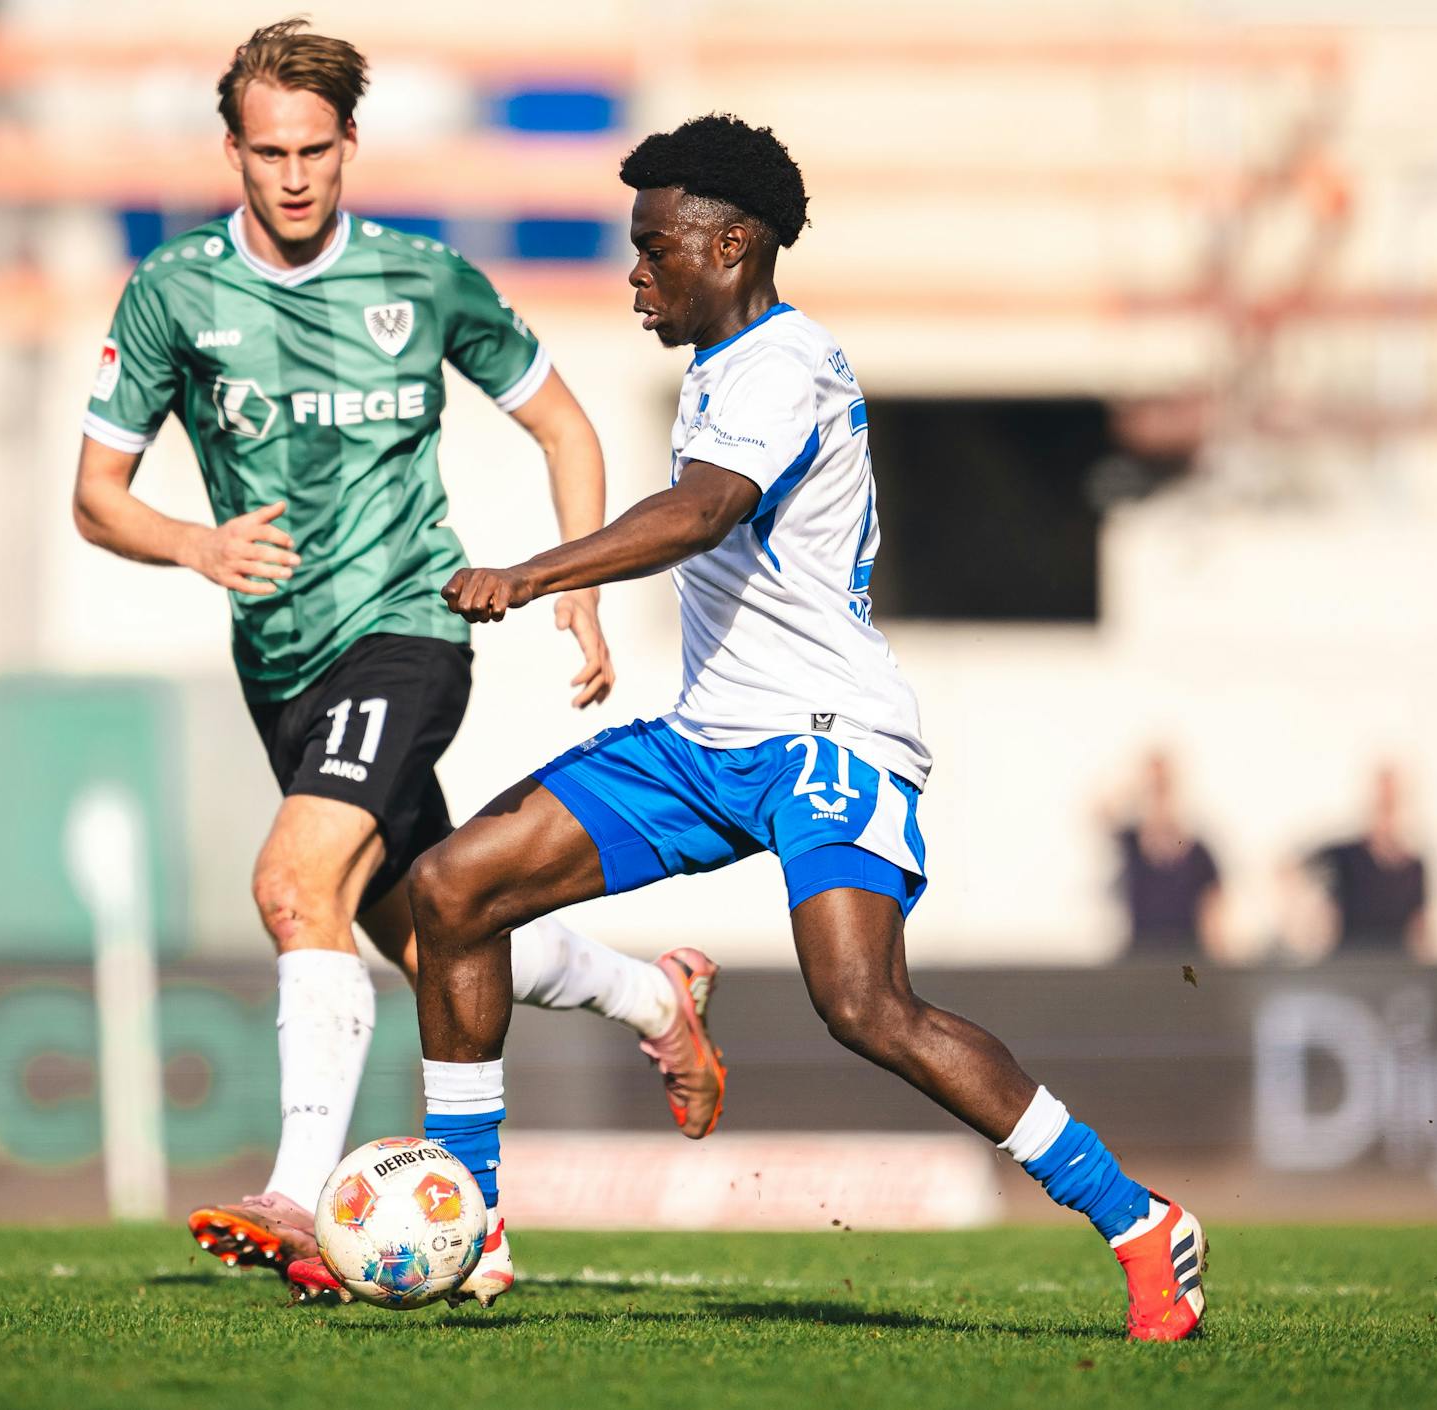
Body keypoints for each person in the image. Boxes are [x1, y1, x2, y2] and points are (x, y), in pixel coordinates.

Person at [402, 114, 1207, 1340]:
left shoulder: (786, 364)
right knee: (453, 890)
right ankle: (467, 1222)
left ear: (730, 243)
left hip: (824, 737)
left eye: (652, 248)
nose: (635, 272)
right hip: (708, 738)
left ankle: (1140, 1222)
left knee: (863, 1006)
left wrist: (534, 573)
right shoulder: (719, 365)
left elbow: (704, 512)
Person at [70, 21, 725, 1290]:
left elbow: (564, 424)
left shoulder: (424, 281)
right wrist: (193, 546)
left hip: (409, 630)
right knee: (430, 931)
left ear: (349, 144)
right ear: (233, 151)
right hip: (281, 667)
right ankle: (653, 998)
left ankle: (299, 1195)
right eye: (269, 152)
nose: (295, 176)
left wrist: (574, 595)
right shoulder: (173, 292)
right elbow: (98, 496)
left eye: (316, 149)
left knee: (289, 884)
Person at [1296, 764, 1429, 958]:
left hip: (1396, 972)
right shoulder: (1344, 857)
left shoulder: (1414, 867)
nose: (1386, 814)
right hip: (1348, 968)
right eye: (1381, 804)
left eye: (1391, 804)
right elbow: (1291, 868)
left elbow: (1420, 932)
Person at [1108, 750, 1227, 959]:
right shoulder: (1132, 843)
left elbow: (1214, 922)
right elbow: (1099, 813)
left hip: (1187, 962)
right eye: (1152, 790)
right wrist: (1137, 786)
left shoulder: (1199, 854)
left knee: (1189, 981)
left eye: (1163, 789)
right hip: (1140, 960)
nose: (1158, 798)